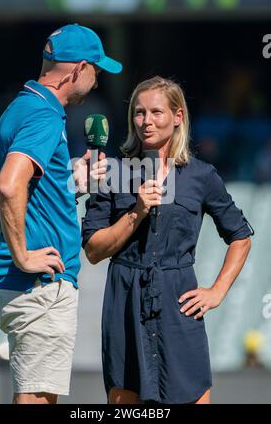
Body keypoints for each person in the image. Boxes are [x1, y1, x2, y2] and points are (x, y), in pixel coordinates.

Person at [82, 76, 254, 405]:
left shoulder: (201, 175)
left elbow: (240, 236)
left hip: (179, 302)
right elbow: (93, 251)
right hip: (125, 303)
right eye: (139, 112)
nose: (146, 121)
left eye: (156, 112)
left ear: (177, 117)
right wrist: (137, 212)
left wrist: (217, 291)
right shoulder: (114, 172)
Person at [0, 24, 122, 405]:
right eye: (97, 72)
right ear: (79, 69)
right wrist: (23, 255)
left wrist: (71, 180)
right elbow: (10, 185)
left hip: (28, 285)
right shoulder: (44, 116)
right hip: (39, 285)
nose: (97, 83)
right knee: (36, 399)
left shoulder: (27, 104)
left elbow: (29, 189)